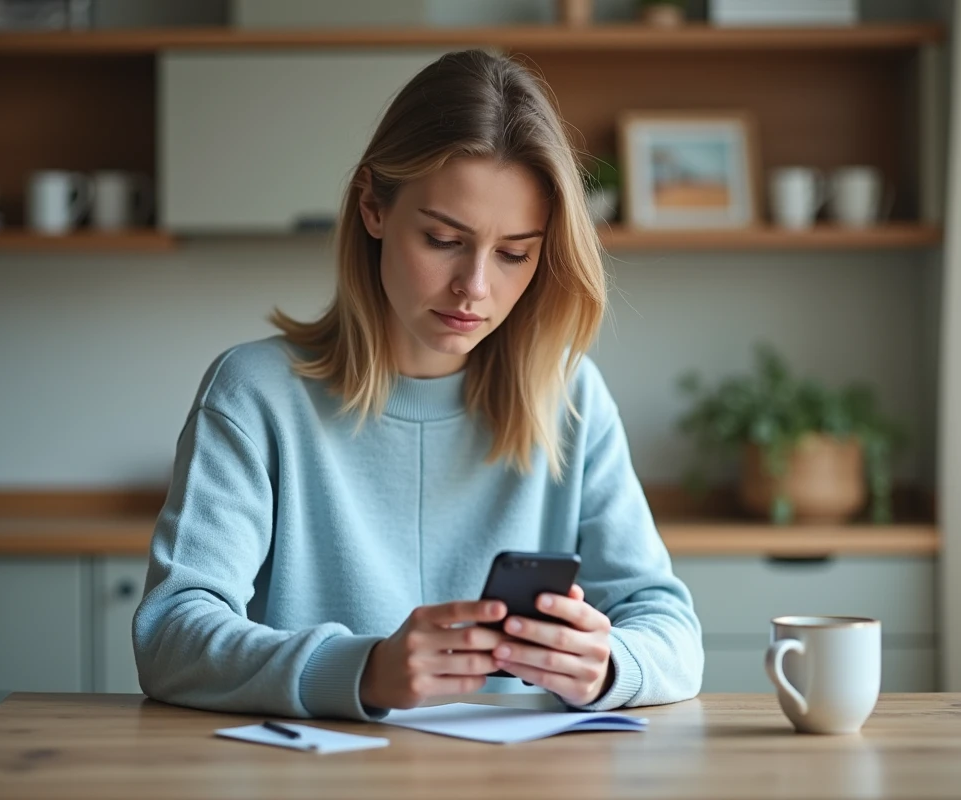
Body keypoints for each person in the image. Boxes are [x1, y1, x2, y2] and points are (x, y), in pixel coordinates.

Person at [133, 49, 702, 720]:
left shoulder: (570, 396)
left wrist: (609, 666)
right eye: (442, 239)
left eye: (516, 253)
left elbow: (671, 630)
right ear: (373, 206)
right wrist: (361, 670)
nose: (476, 288)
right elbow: (171, 634)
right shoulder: (255, 395)